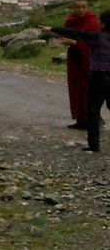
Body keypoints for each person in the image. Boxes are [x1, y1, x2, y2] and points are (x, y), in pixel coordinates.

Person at [43, 10, 110, 154]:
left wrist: (52, 29)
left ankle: (94, 146)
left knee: (93, 111)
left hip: (99, 77)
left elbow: (76, 34)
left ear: (103, 23)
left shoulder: (98, 37)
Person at [62, 0, 101, 129]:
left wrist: (75, 43)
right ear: (73, 8)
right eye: (78, 7)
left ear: (88, 7)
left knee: (87, 90)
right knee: (76, 89)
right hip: (75, 58)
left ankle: (92, 120)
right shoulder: (71, 21)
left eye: (84, 7)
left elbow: (95, 43)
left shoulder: (92, 22)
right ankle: (81, 120)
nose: (81, 10)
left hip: (88, 60)